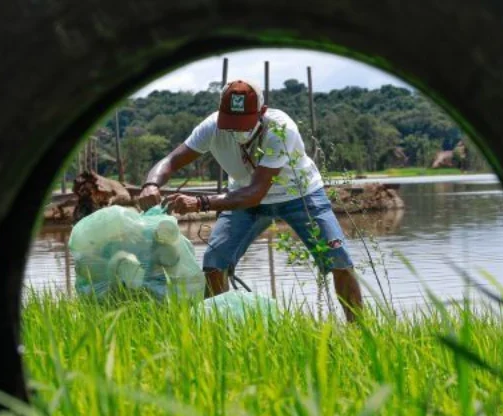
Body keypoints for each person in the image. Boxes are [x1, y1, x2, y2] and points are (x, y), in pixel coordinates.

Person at [137, 79, 364, 322]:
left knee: (339, 259)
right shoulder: (211, 127)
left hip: (300, 195)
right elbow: (171, 161)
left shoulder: (280, 129)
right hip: (241, 198)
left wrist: (201, 203)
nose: (236, 131)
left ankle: (359, 331)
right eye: (230, 123)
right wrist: (151, 184)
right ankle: (218, 329)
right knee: (215, 263)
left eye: (243, 123)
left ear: (262, 112)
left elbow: (257, 192)